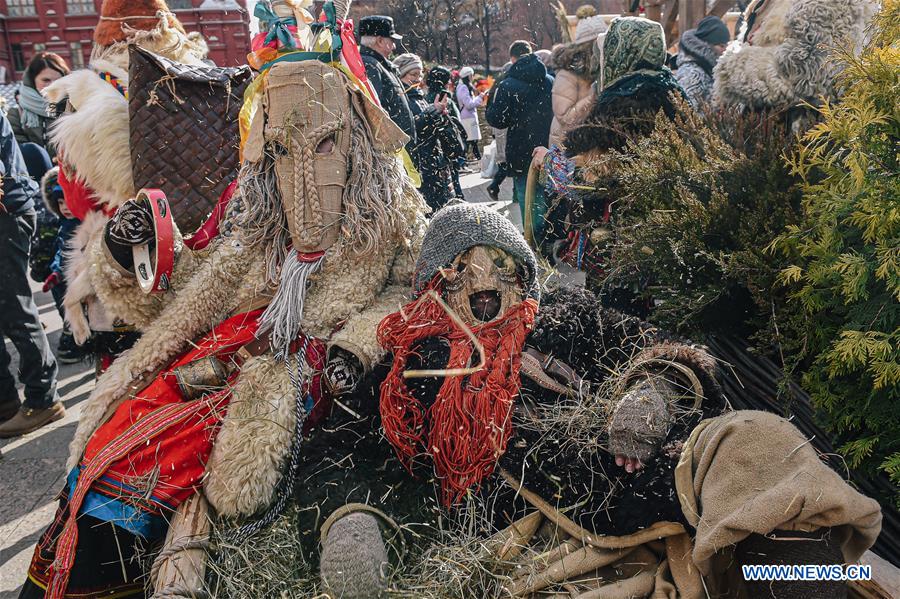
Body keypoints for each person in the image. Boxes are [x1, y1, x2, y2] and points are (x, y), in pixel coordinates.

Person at [0, 112, 64, 438]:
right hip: (10, 205)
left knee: (13, 307)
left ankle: (43, 400)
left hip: (5, 210)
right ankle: (5, 402)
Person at [485, 40, 553, 237]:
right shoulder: (549, 80)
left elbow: (497, 120)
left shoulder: (507, 85)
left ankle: (534, 242)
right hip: (547, 147)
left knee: (528, 197)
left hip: (521, 150)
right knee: (548, 194)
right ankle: (549, 238)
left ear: (512, 59)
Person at [394, 54, 464, 212]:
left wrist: (442, 117)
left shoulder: (420, 97)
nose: (418, 79)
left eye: (419, 74)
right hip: (420, 168)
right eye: (413, 74)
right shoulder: (399, 99)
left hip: (435, 165)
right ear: (401, 74)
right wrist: (432, 113)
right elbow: (407, 130)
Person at [548, 14, 606, 147]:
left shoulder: (602, 67)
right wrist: (593, 94)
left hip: (591, 146)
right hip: (570, 148)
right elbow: (565, 117)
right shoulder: (568, 73)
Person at [358, 15, 416, 145]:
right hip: (391, 149)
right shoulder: (371, 66)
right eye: (391, 40)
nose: (394, 46)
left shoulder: (378, 64)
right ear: (379, 41)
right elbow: (373, 112)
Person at [9, 52, 70, 158]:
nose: (52, 85)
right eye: (46, 80)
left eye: (58, 80)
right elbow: (18, 156)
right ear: (32, 81)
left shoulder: (77, 109)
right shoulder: (17, 115)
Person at [425, 65, 467, 199]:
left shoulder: (424, 98)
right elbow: (457, 122)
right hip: (448, 147)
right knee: (454, 183)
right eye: (448, 79)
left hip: (433, 150)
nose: (450, 82)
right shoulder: (445, 99)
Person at [674, 15, 729, 109]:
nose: (725, 50)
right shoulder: (693, 74)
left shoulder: (708, 67)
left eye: (726, 45)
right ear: (707, 45)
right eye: (721, 46)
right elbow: (685, 112)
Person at [455, 66, 487, 161]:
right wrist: (480, 97)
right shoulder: (463, 88)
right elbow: (469, 104)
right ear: (468, 76)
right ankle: (466, 161)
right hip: (467, 118)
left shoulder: (462, 87)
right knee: (470, 142)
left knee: (472, 142)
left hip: (468, 117)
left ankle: (474, 160)